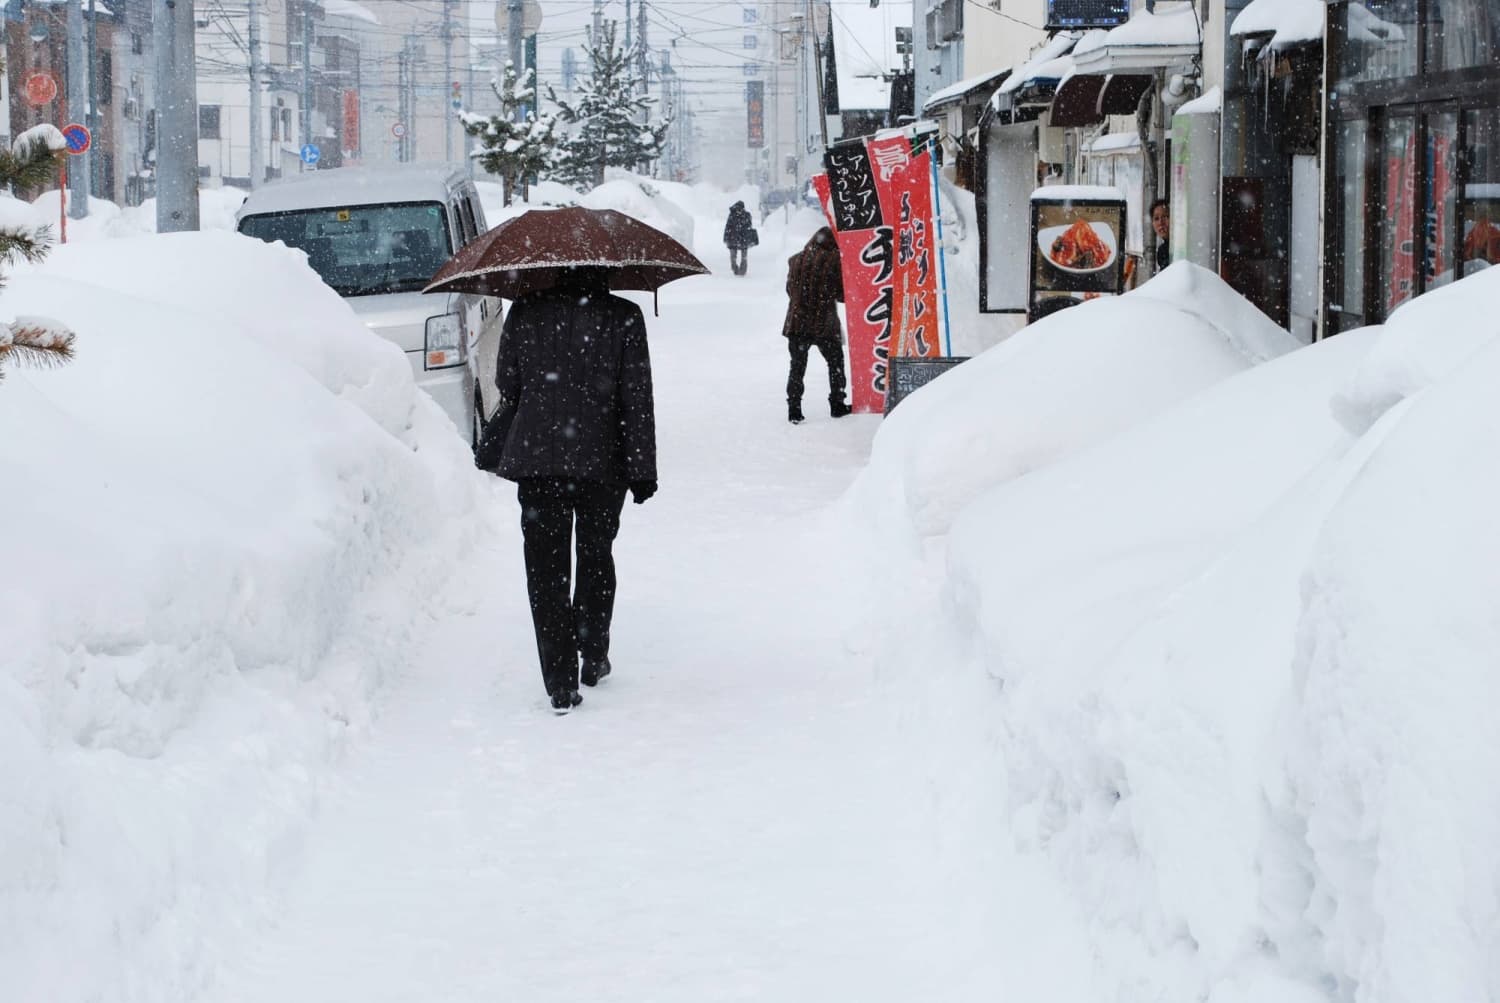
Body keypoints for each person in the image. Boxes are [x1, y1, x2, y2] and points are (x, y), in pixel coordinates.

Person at [479, 266, 657, 714]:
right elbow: (637, 396)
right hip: (604, 460)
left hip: (539, 459)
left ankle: (559, 680)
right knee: (597, 555)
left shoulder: (525, 312)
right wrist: (642, 470)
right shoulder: (626, 316)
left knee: (545, 570)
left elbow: (509, 384)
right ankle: (592, 654)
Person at [782, 227, 851, 423]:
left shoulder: (796, 260)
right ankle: (837, 403)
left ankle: (794, 409)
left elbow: (790, 290)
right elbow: (841, 294)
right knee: (835, 362)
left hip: (797, 323)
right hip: (824, 324)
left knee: (797, 366)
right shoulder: (835, 260)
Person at [723, 201, 757, 277]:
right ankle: (736, 269)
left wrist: (726, 237)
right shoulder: (733, 215)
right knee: (736, 256)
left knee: (739, 256)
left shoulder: (745, 215)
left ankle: (742, 270)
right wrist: (726, 237)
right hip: (736, 238)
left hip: (738, 238)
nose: (739, 210)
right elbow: (728, 226)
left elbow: (749, 226)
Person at [1150, 198, 1172, 271]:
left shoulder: (1178, 247)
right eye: (1156, 218)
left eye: (1165, 216)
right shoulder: (1162, 251)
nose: (1160, 222)